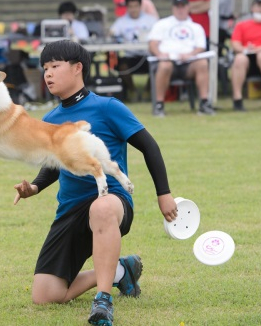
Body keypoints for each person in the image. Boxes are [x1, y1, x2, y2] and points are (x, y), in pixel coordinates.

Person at [13, 40, 177, 326]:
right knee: (46, 294)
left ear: (78, 68)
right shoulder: (51, 119)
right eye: (45, 68)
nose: (47, 74)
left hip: (112, 203)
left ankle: (103, 301)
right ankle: (120, 272)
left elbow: (150, 147)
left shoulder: (107, 107)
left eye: (55, 66)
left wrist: (164, 195)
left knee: (100, 209)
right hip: (70, 211)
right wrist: (35, 188)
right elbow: (53, 165)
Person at [147, 0, 215, 116]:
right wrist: (160, 54)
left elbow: (201, 47)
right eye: (177, 6)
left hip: (188, 63)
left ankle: (204, 103)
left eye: (183, 6)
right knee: (164, 66)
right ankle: (159, 104)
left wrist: (190, 54)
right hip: (168, 61)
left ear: (188, 7)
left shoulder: (196, 27)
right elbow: (152, 43)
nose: (180, 9)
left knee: (202, 63)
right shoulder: (162, 24)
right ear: (173, 8)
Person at [230, 0, 261, 111]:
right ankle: (237, 99)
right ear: (252, 7)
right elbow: (235, 44)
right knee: (239, 59)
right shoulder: (241, 25)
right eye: (259, 6)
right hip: (247, 57)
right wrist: (246, 50)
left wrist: (260, 48)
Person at [110, 0, 158, 101]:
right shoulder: (121, 22)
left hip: (147, 55)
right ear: (126, 7)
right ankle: (132, 90)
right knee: (120, 65)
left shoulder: (151, 20)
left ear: (140, 6)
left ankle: (148, 90)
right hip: (130, 56)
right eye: (130, 6)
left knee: (157, 64)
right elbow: (112, 33)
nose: (133, 9)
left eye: (136, 6)